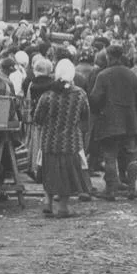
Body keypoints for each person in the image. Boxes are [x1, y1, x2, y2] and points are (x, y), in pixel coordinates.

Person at [34, 59, 91, 218]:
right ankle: (63, 207)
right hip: (71, 143)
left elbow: (37, 118)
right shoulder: (80, 94)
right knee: (66, 175)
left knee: (50, 173)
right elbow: (85, 117)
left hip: (49, 142)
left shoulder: (47, 95)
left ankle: (47, 201)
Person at [89, 44, 137, 201]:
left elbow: (95, 99)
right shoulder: (132, 75)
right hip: (130, 121)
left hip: (109, 122)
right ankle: (132, 188)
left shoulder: (103, 75)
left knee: (110, 156)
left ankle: (110, 190)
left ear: (109, 57)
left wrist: (97, 112)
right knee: (131, 158)